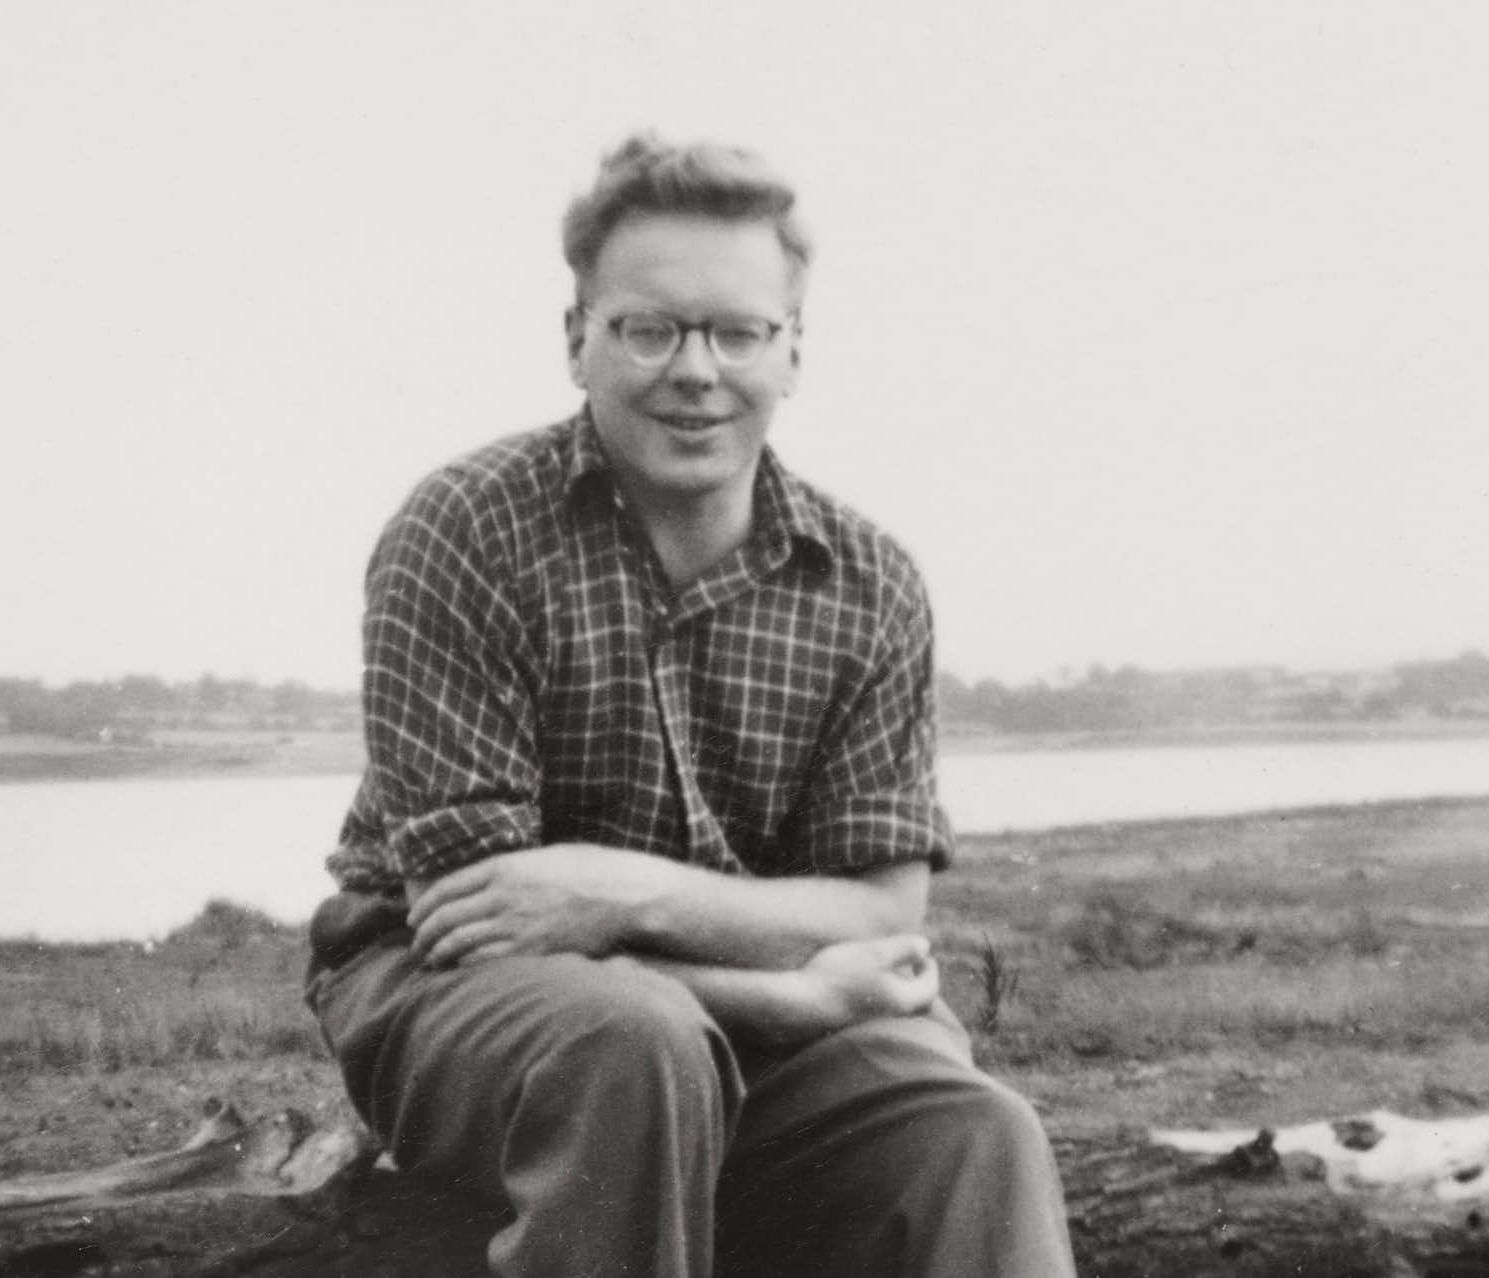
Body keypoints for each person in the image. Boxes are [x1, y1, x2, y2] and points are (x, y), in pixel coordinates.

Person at [304, 133, 1076, 1278]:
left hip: (733, 1024)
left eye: (736, 332)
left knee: (974, 1133)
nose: (696, 370)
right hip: (439, 1002)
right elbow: (469, 922)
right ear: (578, 341)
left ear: (792, 351)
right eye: (649, 328)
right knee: (634, 1044)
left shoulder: (869, 584)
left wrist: (629, 895)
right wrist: (795, 997)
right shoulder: (464, 529)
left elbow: (876, 915)